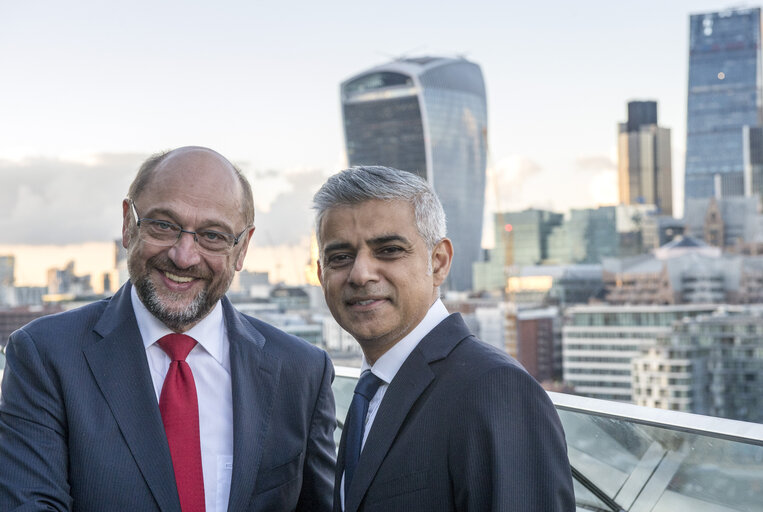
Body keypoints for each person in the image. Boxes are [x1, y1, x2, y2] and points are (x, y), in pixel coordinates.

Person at [0, 146, 336, 511]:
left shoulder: (302, 371)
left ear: (242, 249)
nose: (184, 255)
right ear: (128, 223)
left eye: (213, 235)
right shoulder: (45, 355)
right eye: (163, 225)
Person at [313, 166, 575, 512]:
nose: (361, 273)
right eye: (340, 257)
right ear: (321, 274)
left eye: (389, 250)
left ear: (438, 262)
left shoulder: (495, 388)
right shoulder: (369, 392)